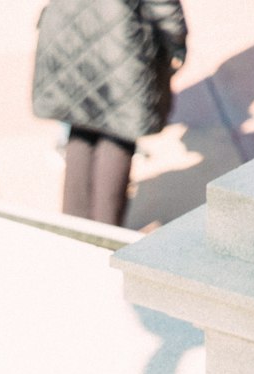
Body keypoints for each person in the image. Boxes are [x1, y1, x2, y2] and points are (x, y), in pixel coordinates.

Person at [31, 0, 188, 226]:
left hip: (69, 32)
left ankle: (72, 232)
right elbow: (163, 6)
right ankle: (103, 237)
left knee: (80, 127)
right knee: (119, 133)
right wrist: (175, 42)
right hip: (122, 44)